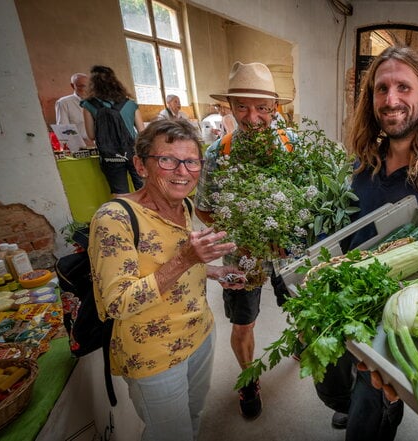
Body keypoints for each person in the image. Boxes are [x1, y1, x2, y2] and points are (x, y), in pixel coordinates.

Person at [315, 45, 418, 441]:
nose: (392, 99)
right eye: (381, 89)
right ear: (371, 100)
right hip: (342, 300)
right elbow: (337, 231)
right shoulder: (360, 166)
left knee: (370, 418)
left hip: (388, 320)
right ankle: (345, 404)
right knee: (328, 386)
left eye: (404, 87)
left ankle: (371, 411)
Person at [88, 119, 245, 441]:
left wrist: (212, 271)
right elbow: (118, 303)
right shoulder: (114, 218)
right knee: (170, 434)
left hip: (200, 333)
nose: (182, 171)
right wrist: (187, 258)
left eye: (191, 161)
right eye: (167, 160)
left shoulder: (183, 205)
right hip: (153, 354)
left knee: (193, 415)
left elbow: (166, 265)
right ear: (140, 166)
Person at [193, 61, 294, 419]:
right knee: (243, 320)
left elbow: (317, 204)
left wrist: (289, 233)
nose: (252, 117)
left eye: (262, 107)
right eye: (242, 107)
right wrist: (241, 234)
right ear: (229, 108)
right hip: (241, 254)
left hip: (289, 252)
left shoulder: (293, 147)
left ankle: (300, 342)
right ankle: (249, 379)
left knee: (302, 306)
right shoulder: (217, 154)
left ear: (275, 108)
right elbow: (203, 209)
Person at [81, 65, 145, 195]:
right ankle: (147, 214)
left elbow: (91, 135)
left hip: (110, 156)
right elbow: (142, 132)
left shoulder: (89, 105)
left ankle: (124, 214)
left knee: (120, 194)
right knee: (144, 190)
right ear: (115, 82)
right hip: (133, 153)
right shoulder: (130, 104)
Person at [55, 72, 92, 146]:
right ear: (73, 86)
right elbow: (63, 129)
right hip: (80, 148)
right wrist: (82, 145)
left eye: (88, 86)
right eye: (81, 86)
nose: (86, 89)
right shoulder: (64, 103)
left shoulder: (96, 102)